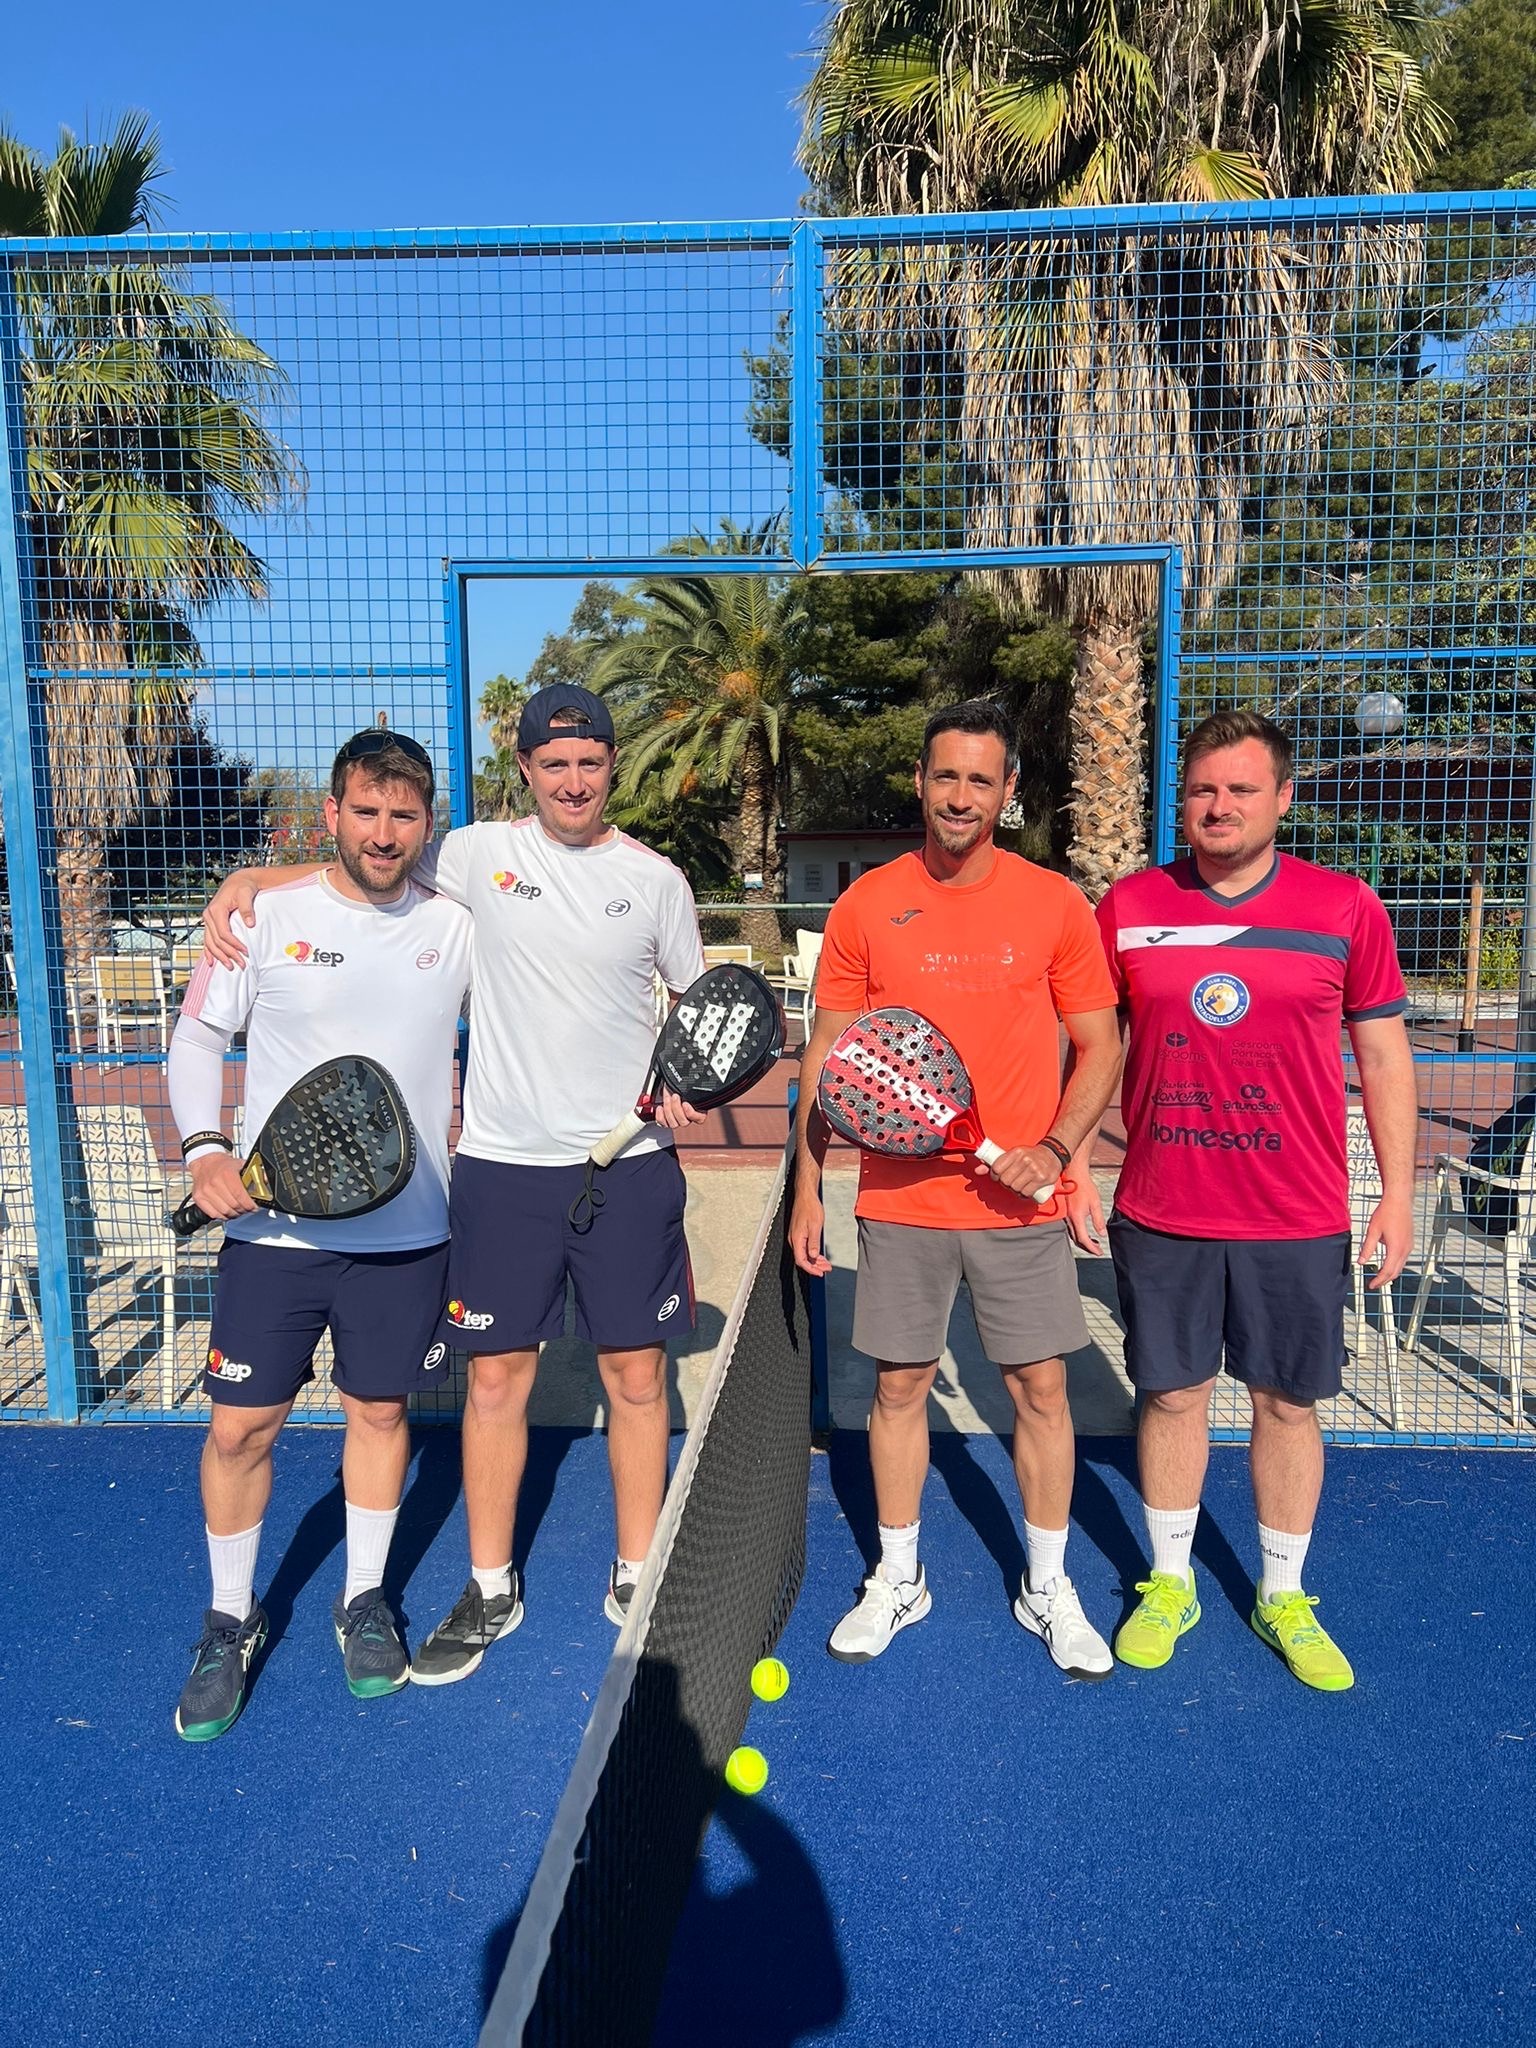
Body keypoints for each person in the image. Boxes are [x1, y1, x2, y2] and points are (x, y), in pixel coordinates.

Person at [201, 683, 707, 1686]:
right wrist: (253, 876)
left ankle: (636, 1570)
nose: (573, 780)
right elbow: (365, 861)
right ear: (525, 769)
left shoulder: (658, 880)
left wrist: (687, 1074)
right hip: (503, 1172)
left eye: (590, 761)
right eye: (554, 762)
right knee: (496, 1382)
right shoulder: (474, 854)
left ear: (612, 766)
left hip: (630, 1167)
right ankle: (488, 1585)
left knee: (639, 1377)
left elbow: (698, 1006)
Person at [1082, 709, 1417, 1692]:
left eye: (1240, 788)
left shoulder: (1345, 907)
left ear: (1283, 797)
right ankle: (1171, 1582)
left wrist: (1396, 1193)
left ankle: (1283, 1593)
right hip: (1163, 1210)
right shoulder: (1131, 905)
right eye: (1202, 789)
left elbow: (1384, 1056)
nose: (1218, 805)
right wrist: (1070, 1162)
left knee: (1285, 1403)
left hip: (1296, 1214)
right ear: (1181, 800)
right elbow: (1097, 1046)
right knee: (1172, 1396)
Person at [789, 699, 1123, 1676]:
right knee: (897, 1387)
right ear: (921, 782)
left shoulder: (1054, 903)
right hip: (900, 1203)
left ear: (1008, 790)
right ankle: (900, 1576)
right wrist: (809, 1186)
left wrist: (1057, 1152)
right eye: (946, 776)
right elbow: (830, 1057)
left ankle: (1046, 1583)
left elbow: (1101, 1044)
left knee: (1042, 1388)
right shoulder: (866, 904)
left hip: (1020, 1204)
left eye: (982, 779)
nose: (961, 796)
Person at [168, 731, 472, 1740]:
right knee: (238, 1429)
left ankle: (364, 1600)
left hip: (409, 1233)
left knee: (379, 1415)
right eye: (366, 811)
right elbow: (198, 1036)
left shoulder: (455, 923)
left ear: (426, 823)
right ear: (332, 813)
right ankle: (230, 1620)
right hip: (273, 1237)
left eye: (404, 815)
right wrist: (205, 1148)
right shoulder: (266, 917)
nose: (384, 833)